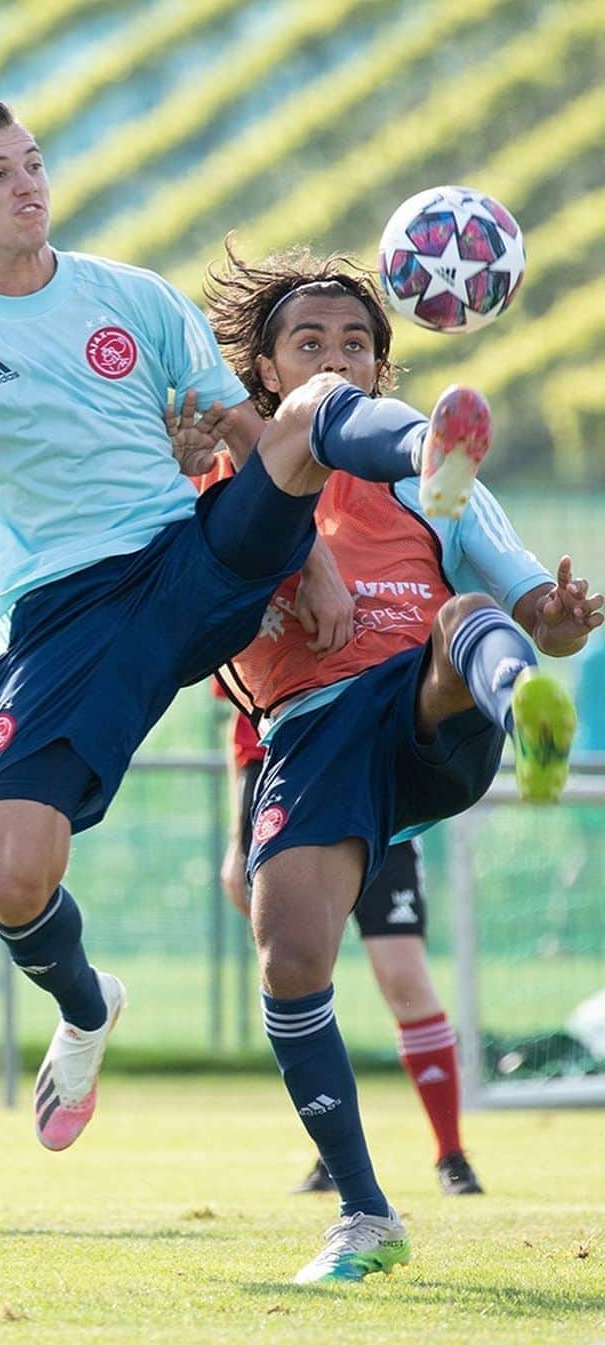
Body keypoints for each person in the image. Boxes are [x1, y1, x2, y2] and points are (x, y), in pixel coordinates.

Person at [0, 95, 500, 1242]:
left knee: (303, 411)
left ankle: (429, 452)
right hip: (63, 622)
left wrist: (297, 554)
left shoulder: (132, 297)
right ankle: (87, 1002)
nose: (25, 183)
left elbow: (240, 431)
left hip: (186, 560)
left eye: (34, 163)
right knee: (13, 879)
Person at [179, 247, 599, 1282]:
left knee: (467, 614)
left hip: (426, 712)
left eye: (357, 344)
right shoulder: (221, 484)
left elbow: (534, 606)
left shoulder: (434, 480)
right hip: (312, 736)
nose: (335, 357)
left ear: (380, 369)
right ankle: (366, 1212)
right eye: (309, 342)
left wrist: (560, 620)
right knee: (291, 962)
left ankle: (527, 711)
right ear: (266, 371)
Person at [219, 704, 482, 1197]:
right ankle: (335, 1155)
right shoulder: (256, 628)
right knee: (304, 977)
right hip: (298, 813)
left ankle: (451, 1154)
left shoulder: (390, 627)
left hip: (382, 807)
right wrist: (239, 842)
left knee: (405, 978)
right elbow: (248, 734)